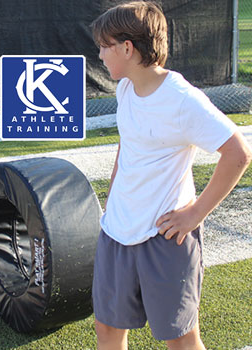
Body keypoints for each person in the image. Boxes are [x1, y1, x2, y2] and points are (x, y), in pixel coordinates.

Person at [90, 2, 252, 350]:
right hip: (116, 231)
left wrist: (195, 214)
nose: (100, 54)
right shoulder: (125, 89)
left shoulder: (182, 100)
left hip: (164, 237)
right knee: (106, 327)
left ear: (127, 48)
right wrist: (114, 198)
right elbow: (128, 143)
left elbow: (238, 153)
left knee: (179, 339)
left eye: (105, 46)